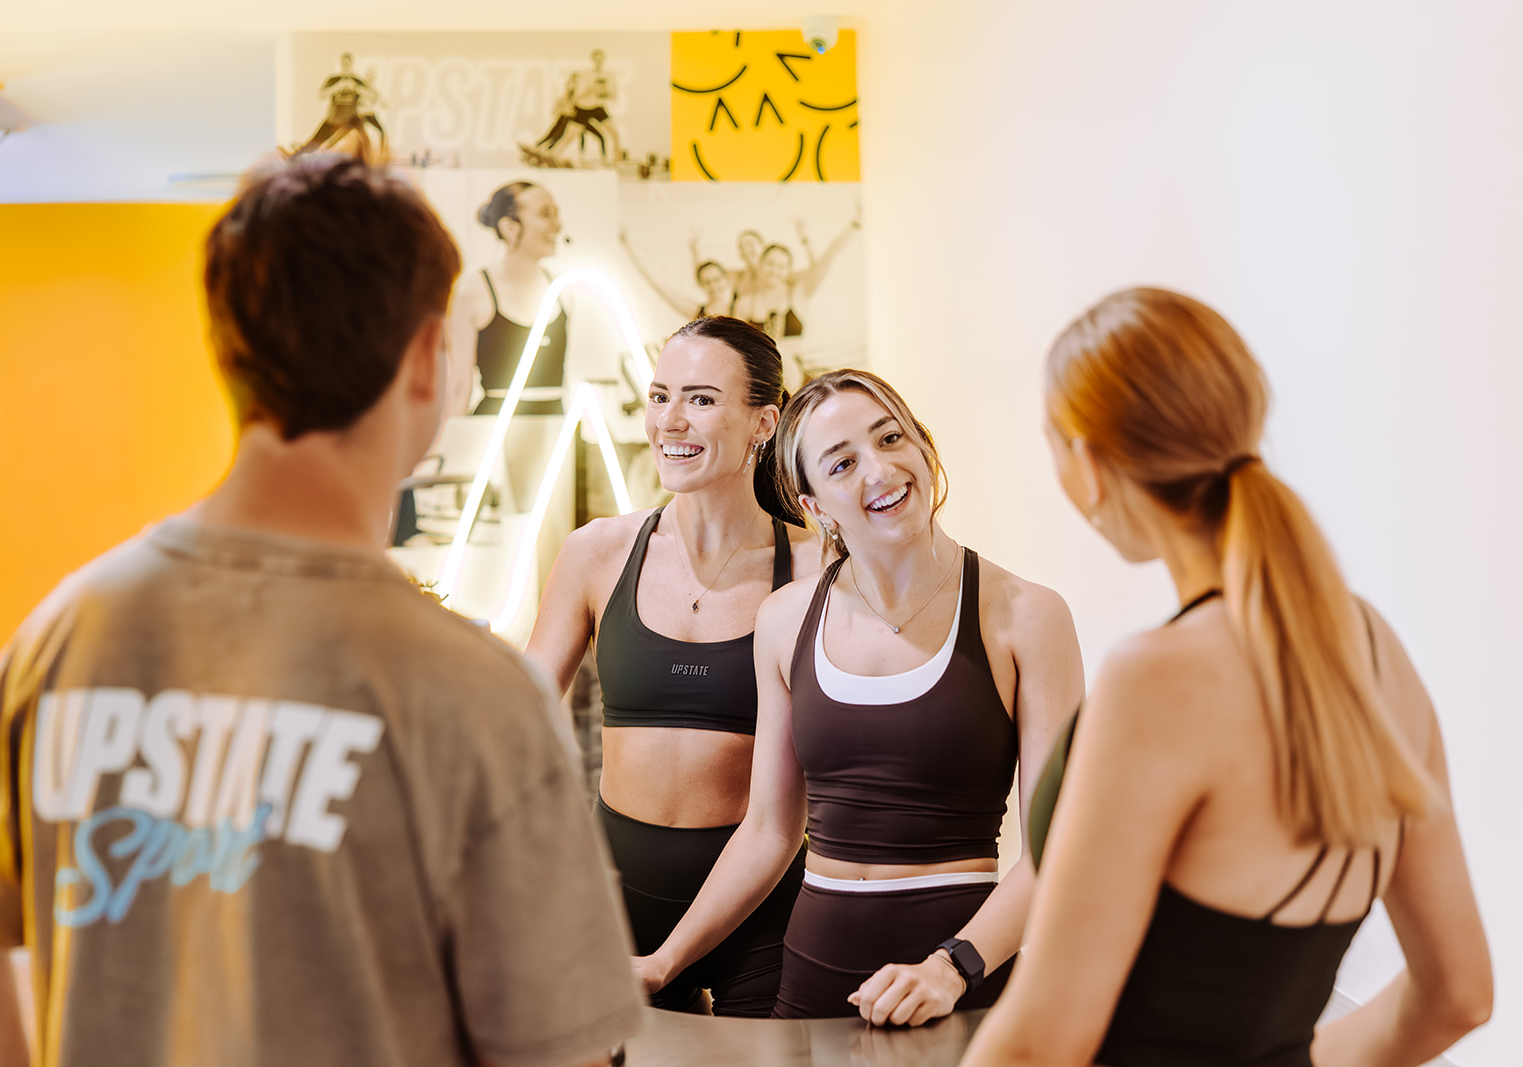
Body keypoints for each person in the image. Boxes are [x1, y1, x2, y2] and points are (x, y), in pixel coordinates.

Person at [0, 154, 642, 1067]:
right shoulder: (479, 696)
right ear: (428, 358)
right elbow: (560, 1053)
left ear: (230, 352)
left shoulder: (68, 631)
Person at [960, 288, 1492, 1066]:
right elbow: (1459, 994)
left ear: (1089, 465)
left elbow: (1038, 1044)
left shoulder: (1152, 678)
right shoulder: (1373, 648)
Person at [632, 368, 1085, 1024]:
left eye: (891, 438)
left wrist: (952, 968)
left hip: (961, 981)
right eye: (842, 463)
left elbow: (1058, 843)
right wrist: (664, 961)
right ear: (815, 505)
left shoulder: (1028, 616)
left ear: (923, 447)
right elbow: (768, 830)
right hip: (813, 978)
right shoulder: (785, 620)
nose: (880, 469)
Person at [526, 316, 822, 1017]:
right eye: (659, 396)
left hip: (761, 906)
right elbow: (517, 716)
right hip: (613, 900)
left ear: (764, 422)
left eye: (701, 399)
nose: (670, 420)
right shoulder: (596, 552)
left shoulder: (817, 568)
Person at [450, 180, 567, 417]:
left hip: (554, 427)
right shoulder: (472, 292)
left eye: (556, 214)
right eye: (546, 214)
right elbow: (459, 385)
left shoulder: (563, 289)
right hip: (495, 427)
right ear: (509, 227)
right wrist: (452, 436)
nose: (557, 225)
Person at [732, 216, 860, 342]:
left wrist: (855, 223)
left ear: (788, 270)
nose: (774, 270)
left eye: (781, 266)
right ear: (761, 264)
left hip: (797, 355)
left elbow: (830, 254)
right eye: (770, 264)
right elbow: (737, 344)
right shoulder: (744, 303)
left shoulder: (799, 292)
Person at [620, 230, 736, 320]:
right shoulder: (696, 312)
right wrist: (629, 249)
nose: (713, 286)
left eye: (717, 279)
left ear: (725, 279)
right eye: (707, 282)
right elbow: (658, 285)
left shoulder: (739, 307)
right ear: (701, 285)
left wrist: (695, 251)